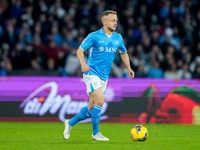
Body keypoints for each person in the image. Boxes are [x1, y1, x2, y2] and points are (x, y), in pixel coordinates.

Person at [63, 10, 135, 141]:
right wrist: (83, 64)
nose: (115, 23)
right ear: (105, 21)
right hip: (91, 73)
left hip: (104, 76)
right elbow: (79, 50)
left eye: (116, 21)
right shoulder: (94, 36)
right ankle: (95, 133)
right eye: (113, 20)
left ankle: (70, 123)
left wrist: (128, 68)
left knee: (92, 106)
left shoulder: (118, 38)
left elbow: (123, 53)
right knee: (100, 100)